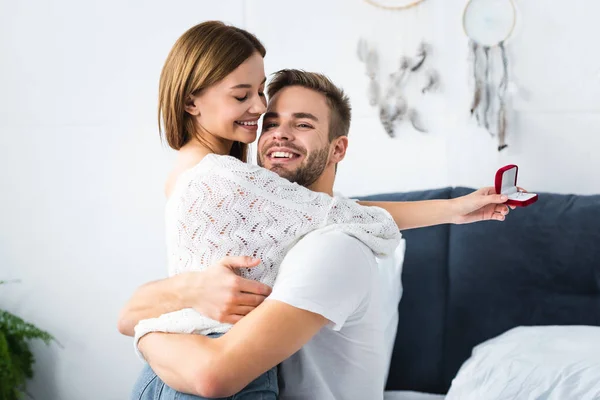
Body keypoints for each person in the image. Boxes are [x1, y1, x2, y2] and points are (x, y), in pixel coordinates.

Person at [120, 21, 516, 400]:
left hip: (187, 365)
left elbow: (336, 212)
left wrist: (149, 334)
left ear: (338, 148)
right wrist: (452, 209)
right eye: (248, 100)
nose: (261, 113)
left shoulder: (326, 241)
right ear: (191, 101)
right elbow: (336, 211)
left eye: (301, 123)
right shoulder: (227, 177)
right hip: (195, 365)